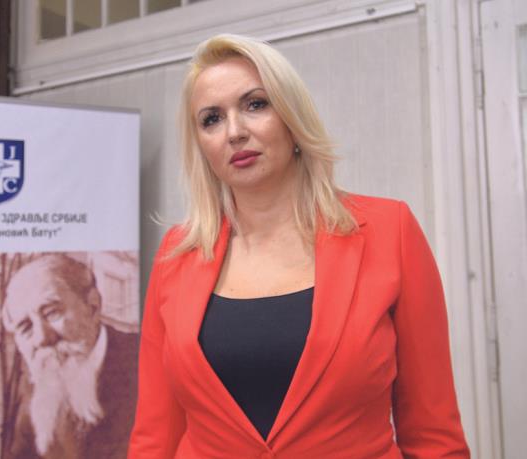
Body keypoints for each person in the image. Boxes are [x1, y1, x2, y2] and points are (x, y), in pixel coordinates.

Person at [128, 34, 470, 458]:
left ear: (292, 118)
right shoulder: (177, 253)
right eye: (211, 119)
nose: (235, 132)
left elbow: (433, 434)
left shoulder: (389, 231)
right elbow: (155, 435)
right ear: (200, 145)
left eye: (256, 104)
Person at [2, 254, 138, 459]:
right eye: (25, 327)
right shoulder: (36, 394)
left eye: (51, 313)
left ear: (92, 307)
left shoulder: (149, 360)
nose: (41, 338)